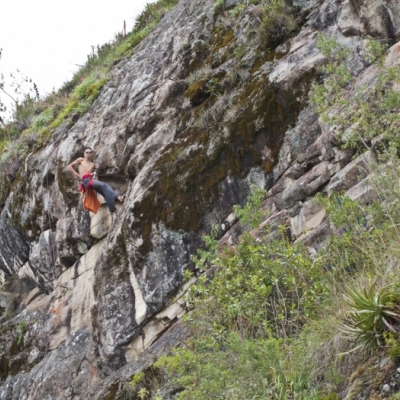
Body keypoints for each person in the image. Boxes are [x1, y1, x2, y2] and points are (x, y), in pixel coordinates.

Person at [67, 148, 124, 214]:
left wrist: (94, 170)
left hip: (91, 181)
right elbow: (69, 166)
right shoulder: (81, 160)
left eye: (90, 152)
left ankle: (114, 210)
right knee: (105, 185)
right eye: (87, 152)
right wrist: (77, 175)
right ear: (84, 154)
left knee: (105, 193)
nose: (88, 153)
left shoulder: (92, 165)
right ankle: (118, 197)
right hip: (86, 181)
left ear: (92, 154)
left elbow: (92, 176)